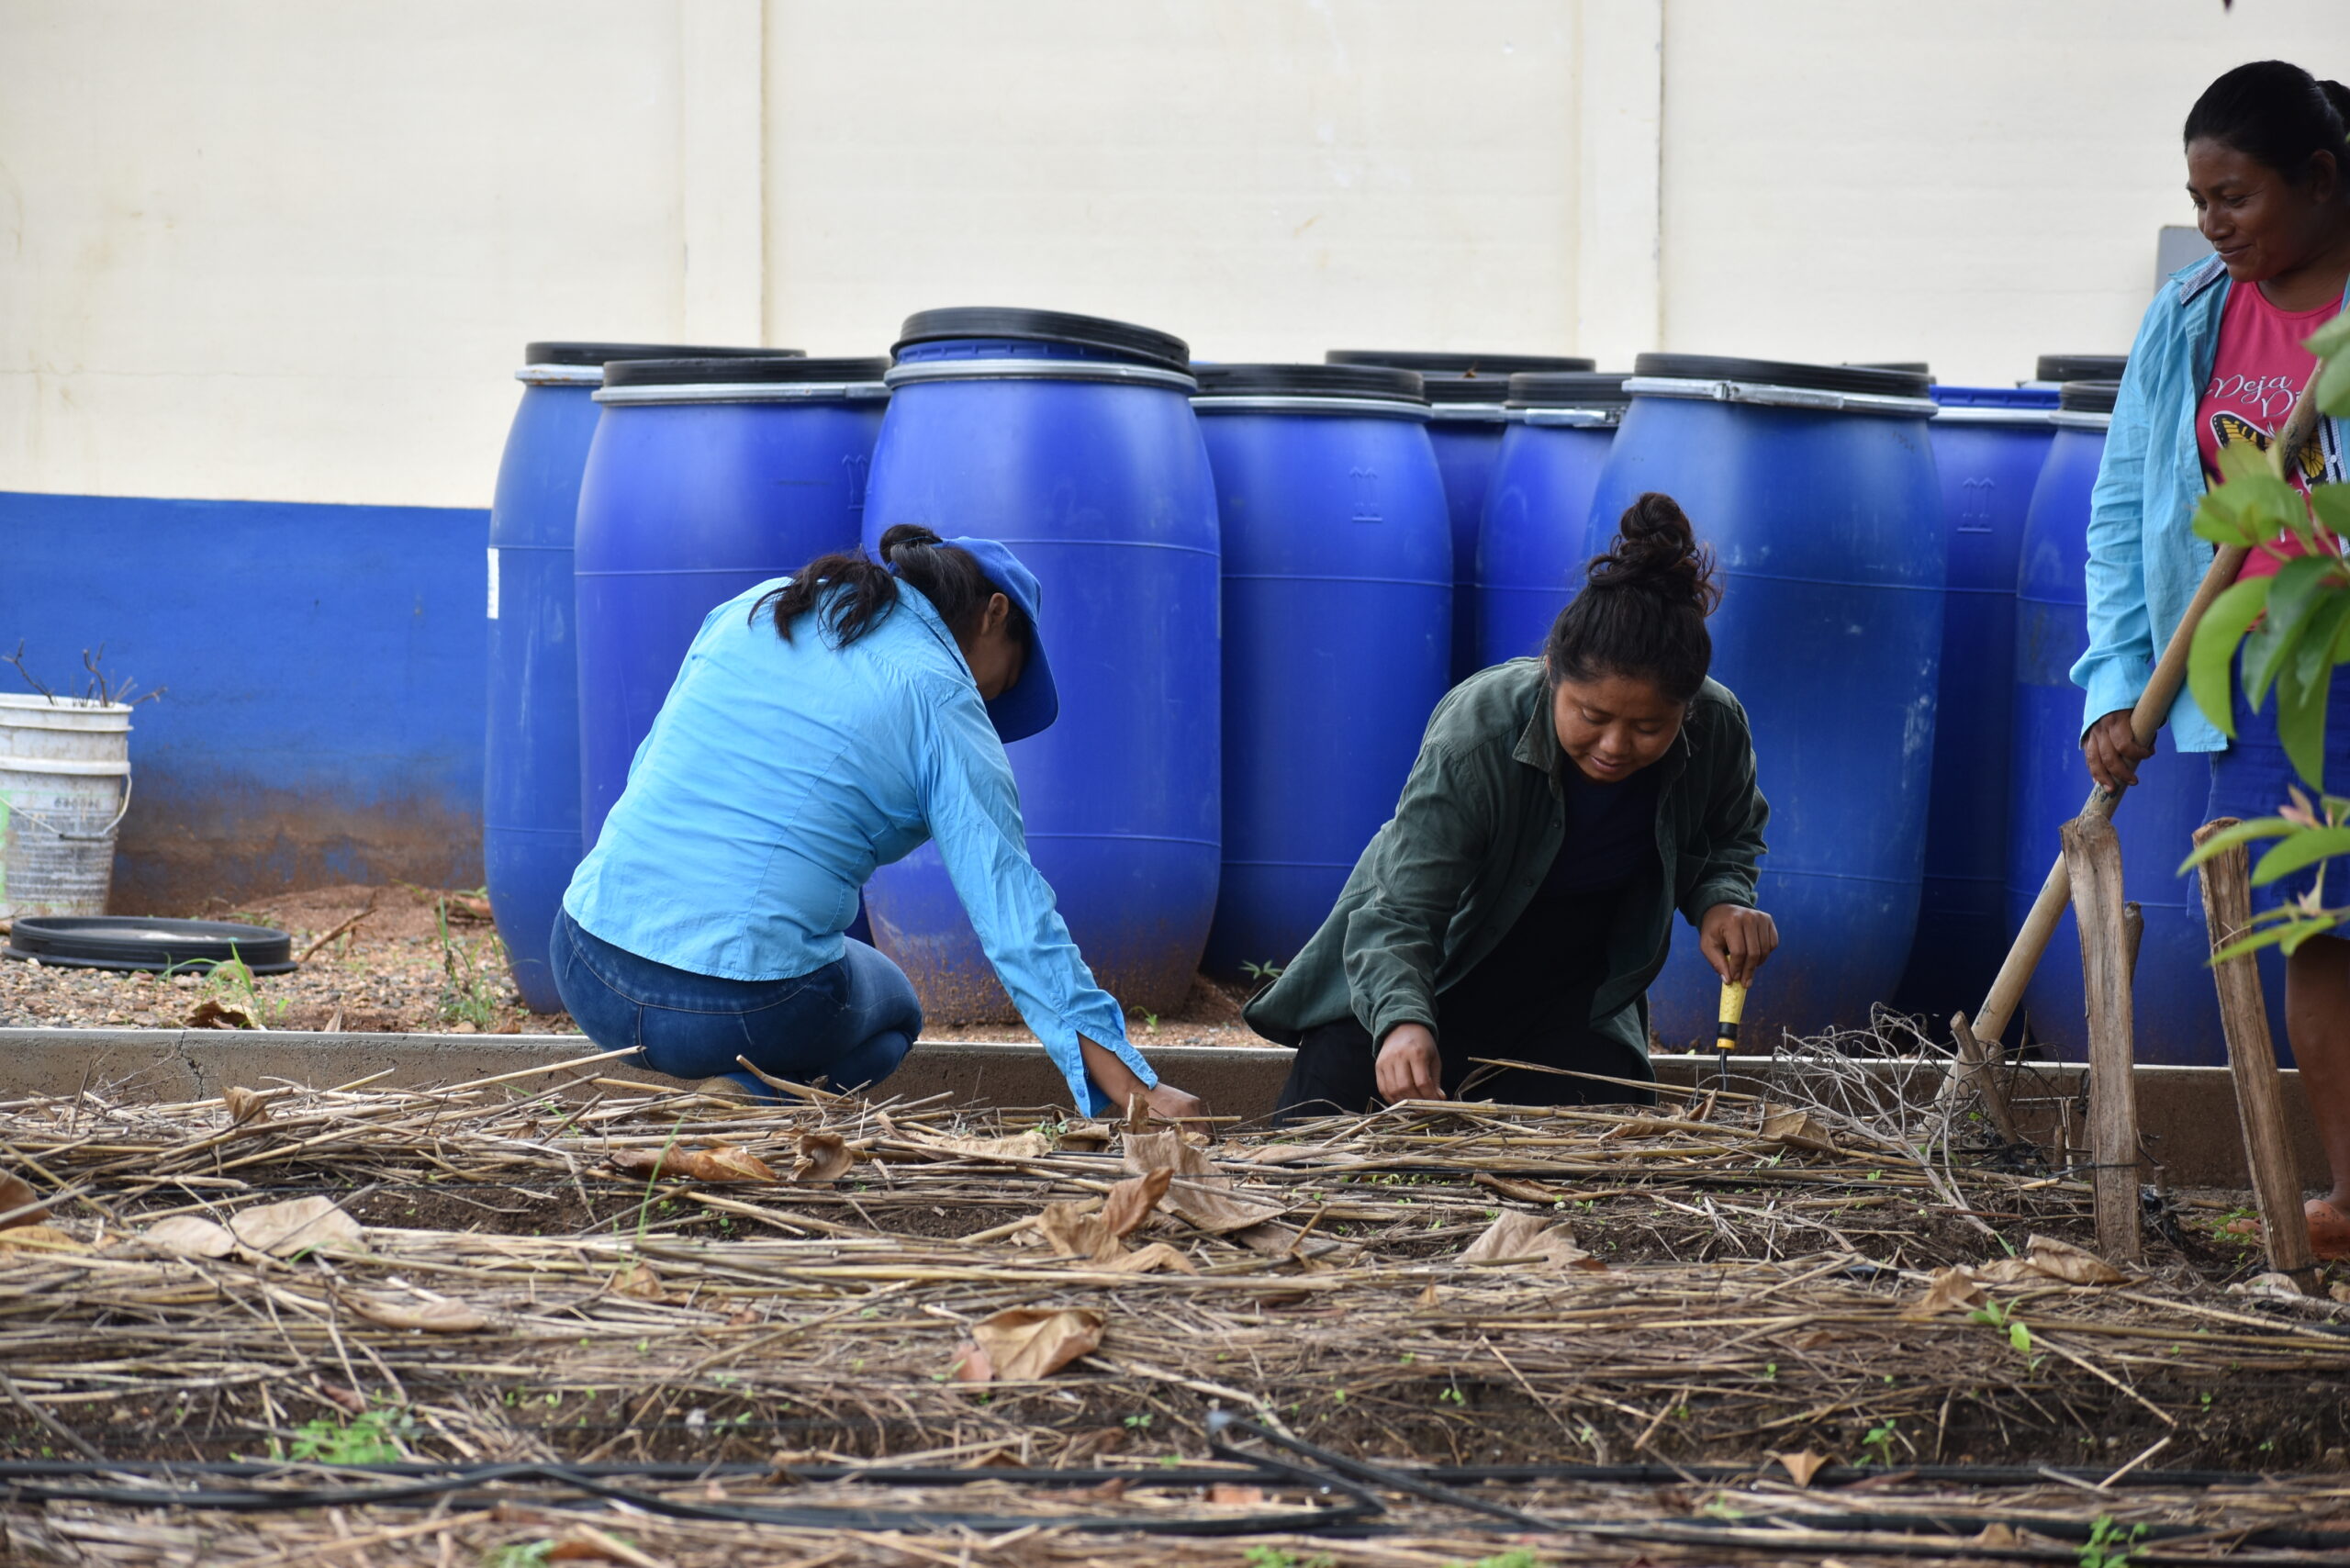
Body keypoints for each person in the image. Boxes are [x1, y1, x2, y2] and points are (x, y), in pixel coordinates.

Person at [553, 523, 1204, 1122]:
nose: (988, 703)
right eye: (1003, 683)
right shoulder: (943, 697)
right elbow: (1017, 920)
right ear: (994, 613)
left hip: (586, 960)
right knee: (895, 1007)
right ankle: (754, 1100)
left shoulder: (761, 606)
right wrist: (1136, 1089)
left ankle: (728, 1094)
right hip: (740, 1013)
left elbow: (651, 767)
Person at [1245, 492, 1777, 1117]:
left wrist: (1721, 900)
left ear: (1687, 708)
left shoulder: (1716, 726)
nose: (1614, 746)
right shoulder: (1480, 733)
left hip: (1571, 992)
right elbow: (1400, 910)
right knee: (1316, 1135)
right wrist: (1401, 1021)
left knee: (1604, 1147)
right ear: (1551, 670)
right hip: (1433, 963)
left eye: (1648, 728)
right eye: (1592, 716)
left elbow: (1729, 834)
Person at [2076, 61, 2350, 1257]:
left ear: (2320, 177)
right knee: (2311, 923)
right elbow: (2124, 505)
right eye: (2198, 201)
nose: (2213, 224)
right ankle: (2349, 1198)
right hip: (2266, 670)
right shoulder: (2193, 313)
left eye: (2234, 197)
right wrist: (2115, 682)